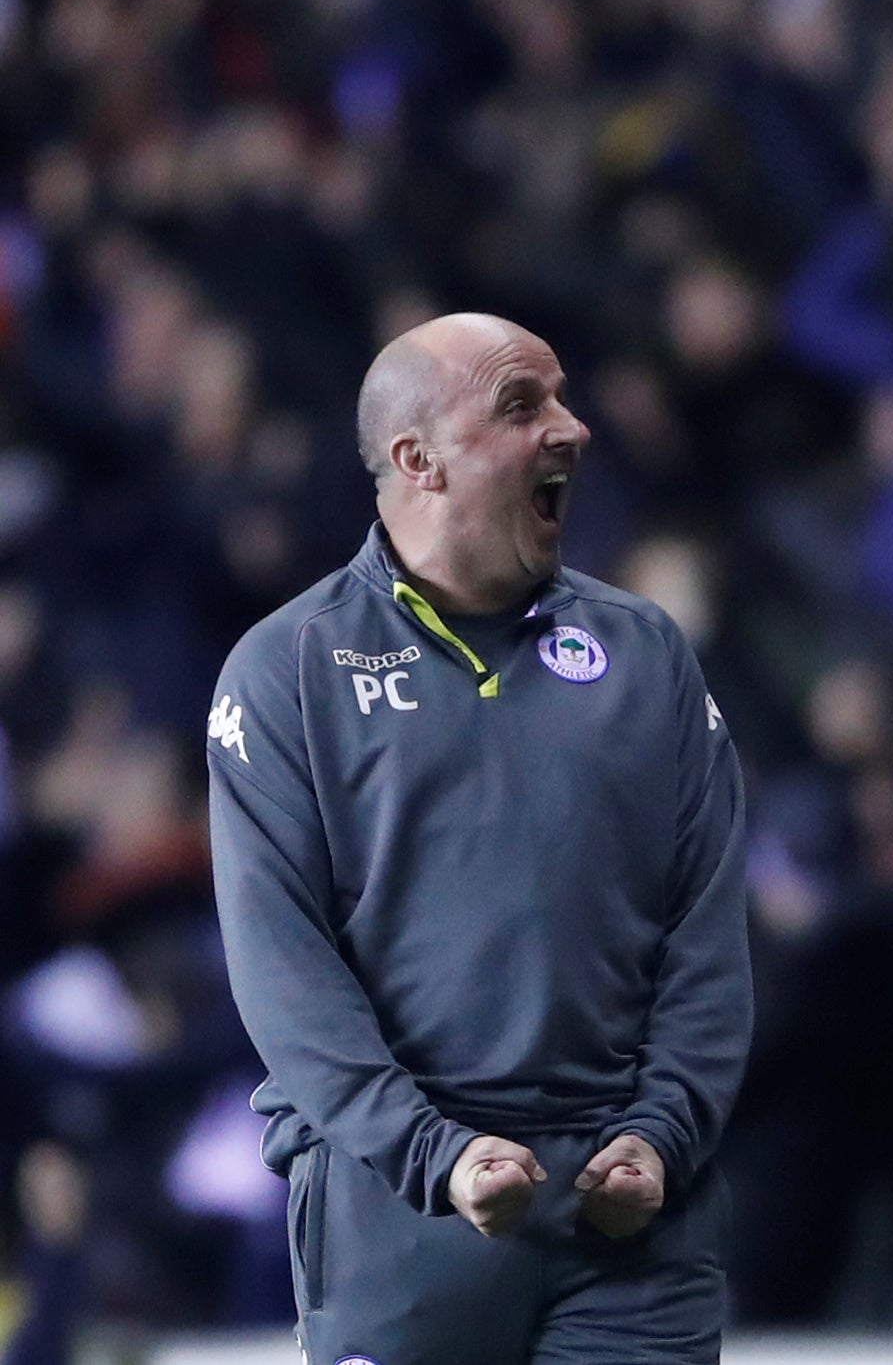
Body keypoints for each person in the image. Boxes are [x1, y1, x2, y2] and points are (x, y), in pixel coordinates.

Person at [205, 313, 753, 1363]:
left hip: (625, 1210)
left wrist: (662, 1130)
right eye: (521, 405)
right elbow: (283, 971)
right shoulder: (289, 672)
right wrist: (431, 1153)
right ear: (418, 459)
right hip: (400, 1212)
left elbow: (707, 932)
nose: (573, 429)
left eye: (560, 395)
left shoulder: (646, 657)